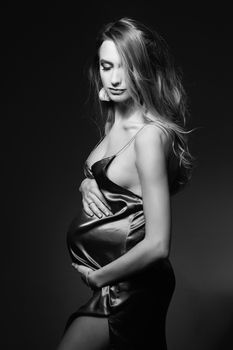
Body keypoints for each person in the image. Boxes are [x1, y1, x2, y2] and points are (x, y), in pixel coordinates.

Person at [56, 17, 195, 350]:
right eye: (107, 66)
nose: (115, 78)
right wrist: (86, 183)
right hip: (112, 286)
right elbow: (110, 171)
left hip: (130, 288)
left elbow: (159, 244)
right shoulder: (112, 120)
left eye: (126, 67)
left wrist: (98, 277)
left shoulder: (149, 135)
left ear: (143, 69)